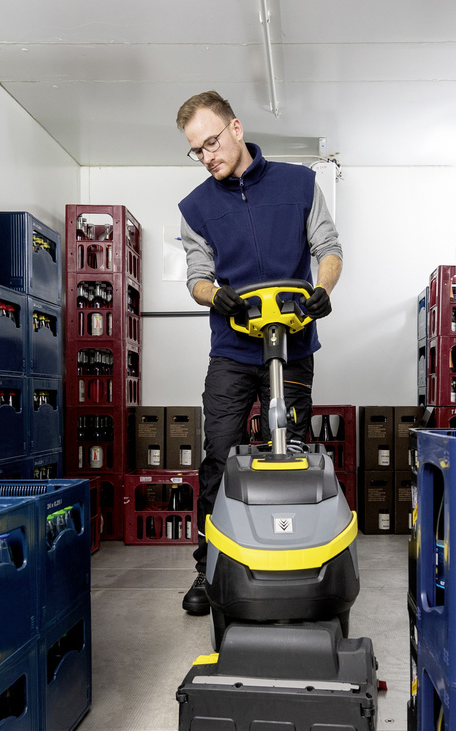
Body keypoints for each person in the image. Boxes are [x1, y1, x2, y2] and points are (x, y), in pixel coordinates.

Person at [175, 90, 343, 615]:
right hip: (232, 348)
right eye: (197, 150)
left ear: (236, 129)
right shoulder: (196, 208)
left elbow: (329, 249)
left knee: (292, 452)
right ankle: (211, 570)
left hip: (291, 343)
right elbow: (198, 279)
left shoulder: (300, 184)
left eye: (211, 142)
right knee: (219, 457)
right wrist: (216, 296)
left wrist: (323, 291)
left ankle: (294, 557)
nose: (208, 156)